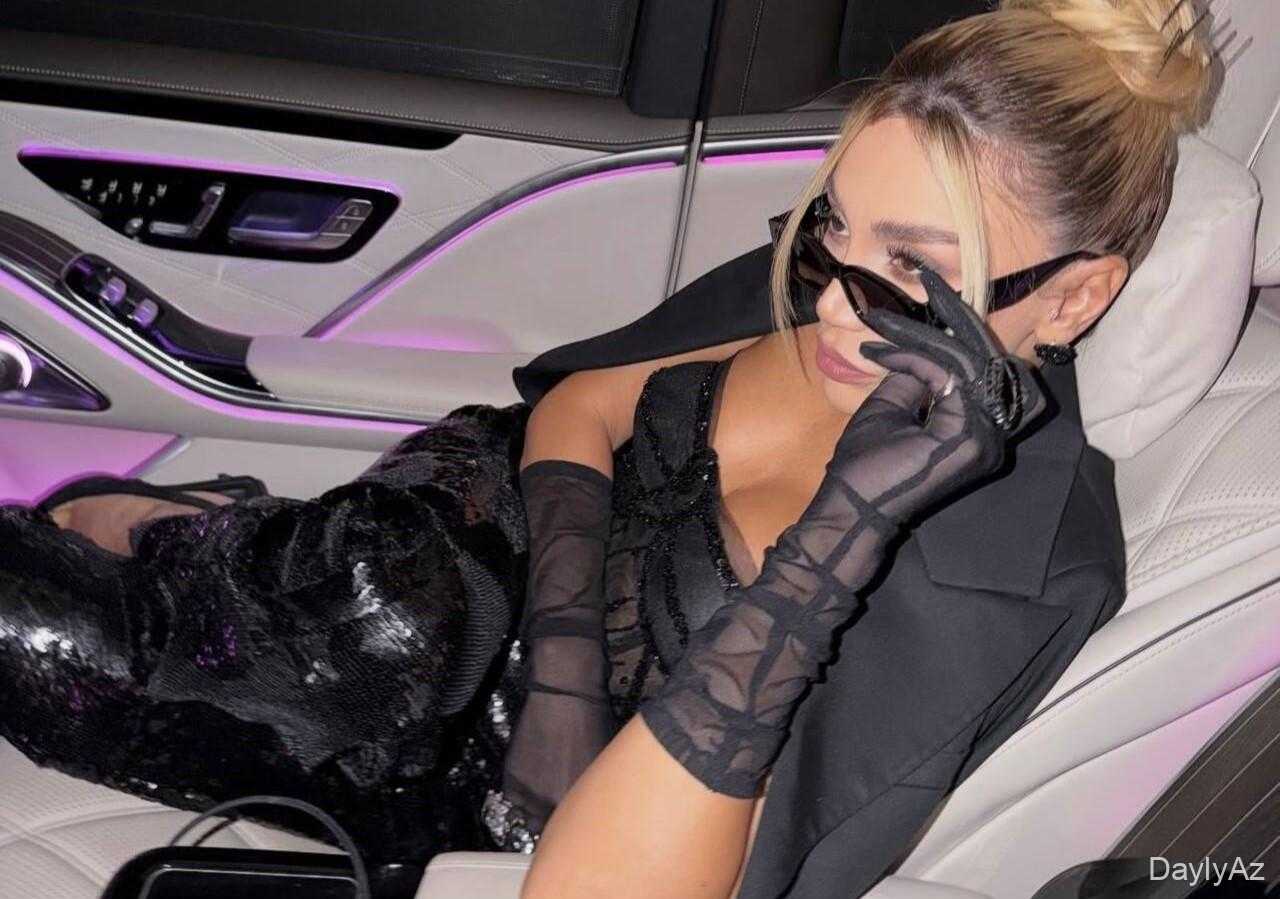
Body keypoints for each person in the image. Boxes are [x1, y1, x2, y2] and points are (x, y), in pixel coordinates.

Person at [0, 0, 1211, 896]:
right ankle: (204, 527)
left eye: (912, 273)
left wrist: (839, 538)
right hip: (449, 525)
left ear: (1073, 297)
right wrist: (568, 665)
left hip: (428, 751)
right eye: (829, 230)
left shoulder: (1008, 573)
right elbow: (580, 402)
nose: (837, 303)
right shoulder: (839, 288)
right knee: (362, 584)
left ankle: (187, 531)